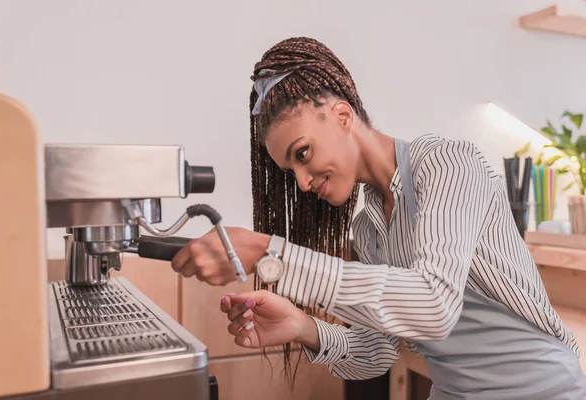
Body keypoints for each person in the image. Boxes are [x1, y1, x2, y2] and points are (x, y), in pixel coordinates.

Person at [170, 37, 586, 398]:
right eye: (289, 171)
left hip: (542, 389)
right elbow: (377, 354)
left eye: (303, 154)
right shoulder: (368, 229)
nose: (300, 181)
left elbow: (434, 303)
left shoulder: (448, 165)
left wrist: (269, 252)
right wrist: (302, 327)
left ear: (342, 116)